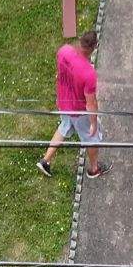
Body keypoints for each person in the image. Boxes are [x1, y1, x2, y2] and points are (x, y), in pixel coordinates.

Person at [38, 29, 101, 178]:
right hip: (78, 112)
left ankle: (45, 161)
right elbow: (90, 103)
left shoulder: (64, 51)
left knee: (64, 127)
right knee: (92, 139)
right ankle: (94, 169)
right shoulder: (89, 74)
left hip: (63, 102)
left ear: (80, 40)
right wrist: (93, 123)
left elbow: (59, 74)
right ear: (94, 46)